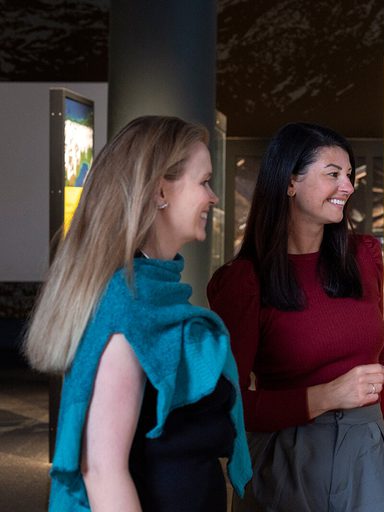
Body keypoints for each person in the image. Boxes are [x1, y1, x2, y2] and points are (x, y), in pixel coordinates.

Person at [23, 116, 252, 512]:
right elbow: (101, 470)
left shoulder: (147, 295)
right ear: (161, 189)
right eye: (203, 182)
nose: (213, 197)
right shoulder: (125, 305)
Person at [207, 122, 384, 512]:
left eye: (348, 175)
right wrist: (327, 396)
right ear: (289, 182)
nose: (348, 187)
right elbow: (229, 403)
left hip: (368, 450)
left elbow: (379, 354)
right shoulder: (244, 281)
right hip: (287, 459)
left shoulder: (364, 255)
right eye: (333, 174)